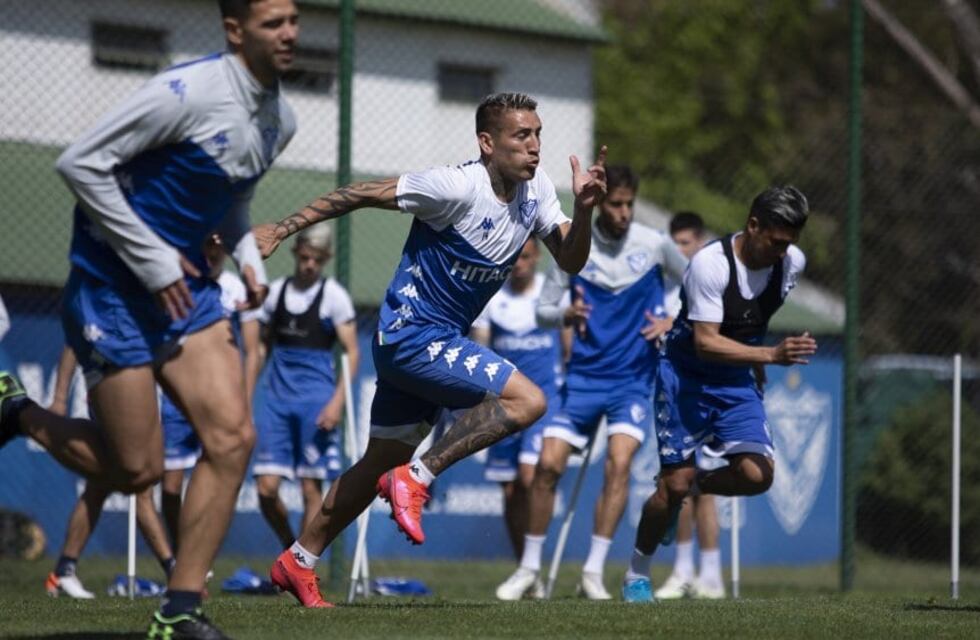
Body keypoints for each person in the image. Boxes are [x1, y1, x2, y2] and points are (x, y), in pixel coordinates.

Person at [0, 1, 298, 636]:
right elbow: (79, 164)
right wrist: (156, 261)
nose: (290, 33)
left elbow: (232, 200)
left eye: (295, 19)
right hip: (112, 291)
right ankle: (14, 413)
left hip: (187, 295)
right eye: (274, 22)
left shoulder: (282, 119)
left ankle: (180, 610)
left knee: (233, 438)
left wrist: (248, 259)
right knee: (134, 469)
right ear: (235, 30)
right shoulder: (184, 92)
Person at [252, 92, 607, 608]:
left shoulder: (537, 195)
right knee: (528, 401)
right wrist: (282, 229)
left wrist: (584, 210)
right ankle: (416, 478)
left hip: (431, 344)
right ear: (487, 143)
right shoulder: (454, 185)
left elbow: (572, 261)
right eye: (521, 136)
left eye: (538, 135)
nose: (534, 147)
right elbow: (358, 194)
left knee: (378, 461)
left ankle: (298, 561)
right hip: (410, 335)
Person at [496, 166, 687, 601]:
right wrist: (565, 313)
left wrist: (673, 318)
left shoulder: (654, 245)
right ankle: (529, 570)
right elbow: (543, 309)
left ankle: (594, 573)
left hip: (633, 382)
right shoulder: (575, 246)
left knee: (619, 465)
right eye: (615, 204)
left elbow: (695, 283)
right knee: (546, 467)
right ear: (600, 205)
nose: (622, 213)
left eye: (628, 205)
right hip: (581, 379)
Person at [622, 185, 817, 603]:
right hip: (685, 377)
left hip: (734, 381)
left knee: (756, 475)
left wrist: (757, 364)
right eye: (776, 241)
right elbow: (705, 342)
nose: (783, 252)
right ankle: (636, 574)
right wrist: (767, 355)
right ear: (752, 226)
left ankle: (692, 490)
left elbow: (753, 319)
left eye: (790, 244)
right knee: (670, 486)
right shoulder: (710, 265)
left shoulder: (790, 264)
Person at [252, 226, 358, 549]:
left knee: (310, 488)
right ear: (296, 253)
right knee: (265, 489)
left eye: (317, 259)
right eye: (305, 257)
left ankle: (301, 563)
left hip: (316, 402)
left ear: (325, 259)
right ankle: (289, 547)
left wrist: (336, 403)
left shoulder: (333, 297)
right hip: (276, 401)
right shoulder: (276, 293)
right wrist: (244, 392)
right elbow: (260, 348)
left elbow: (353, 352)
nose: (309, 264)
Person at [44, 347, 176, 599]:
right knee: (141, 482)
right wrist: (60, 398)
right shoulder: (99, 311)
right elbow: (74, 343)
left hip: (140, 383)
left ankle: (63, 570)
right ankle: (174, 572)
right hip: (115, 388)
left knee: (100, 483)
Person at [160, 235, 262, 551]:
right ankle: (179, 555)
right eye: (206, 245)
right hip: (176, 393)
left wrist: (243, 400)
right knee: (171, 485)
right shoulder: (177, 282)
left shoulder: (236, 287)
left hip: (219, 393)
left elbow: (253, 350)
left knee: (216, 471)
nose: (212, 253)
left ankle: (196, 560)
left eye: (219, 247)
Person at [471, 237, 560, 581]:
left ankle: (531, 563)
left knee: (529, 476)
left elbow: (567, 347)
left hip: (543, 403)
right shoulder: (492, 297)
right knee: (509, 489)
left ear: (537, 256)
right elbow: (480, 348)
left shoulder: (549, 295)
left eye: (525, 256)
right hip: (504, 403)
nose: (519, 263)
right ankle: (526, 569)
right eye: (514, 258)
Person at [656, 211, 726, 599]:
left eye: (686, 244)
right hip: (676, 394)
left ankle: (712, 576)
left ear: (700, 243)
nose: (680, 252)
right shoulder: (668, 290)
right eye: (675, 244)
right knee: (679, 484)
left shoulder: (715, 281)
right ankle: (682, 570)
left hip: (710, 392)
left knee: (707, 487)